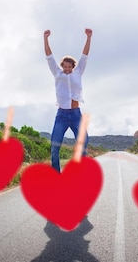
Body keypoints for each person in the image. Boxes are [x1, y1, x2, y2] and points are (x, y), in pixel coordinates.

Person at [44, 28, 92, 172]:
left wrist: (88, 38)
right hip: (62, 115)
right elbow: (49, 57)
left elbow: (84, 56)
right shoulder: (57, 73)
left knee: (84, 142)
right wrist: (45, 39)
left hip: (76, 114)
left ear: (73, 67)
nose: (66, 69)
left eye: (69, 67)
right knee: (54, 145)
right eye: (64, 66)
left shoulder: (78, 72)